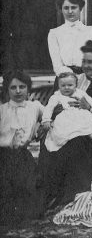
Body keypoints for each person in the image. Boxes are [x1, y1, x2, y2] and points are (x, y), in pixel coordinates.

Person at [38, 44, 92, 209]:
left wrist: (88, 108)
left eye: (90, 62)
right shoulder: (72, 78)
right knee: (49, 140)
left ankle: (72, 194)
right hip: (67, 125)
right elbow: (54, 103)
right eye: (84, 61)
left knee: (76, 143)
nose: (86, 65)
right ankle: (51, 191)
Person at [0, 70, 44, 224]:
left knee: (29, 190)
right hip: (3, 156)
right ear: (7, 90)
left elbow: (50, 118)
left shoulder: (35, 107)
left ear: (28, 89)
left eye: (22, 87)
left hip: (23, 156)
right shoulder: (2, 110)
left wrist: (41, 127)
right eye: (13, 87)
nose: (18, 91)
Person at [41, 72, 92, 151]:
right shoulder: (56, 96)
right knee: (62, 135)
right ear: (58, 86)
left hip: (82, 117)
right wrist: (46, 120)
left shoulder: (80, 93)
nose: (66, 88)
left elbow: (91, 101)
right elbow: (49, 108)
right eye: (63, 85)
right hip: (66, 120)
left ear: (75, 85)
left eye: (70, 85)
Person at [47, 0, 92, 75]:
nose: (70, 11)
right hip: (64, 77)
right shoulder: (54, 33)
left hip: (87, 76)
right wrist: (69, 76)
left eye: (74, 7)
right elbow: (57, 64)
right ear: (61, 10)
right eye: (66, 8)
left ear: (80, 9)